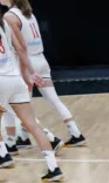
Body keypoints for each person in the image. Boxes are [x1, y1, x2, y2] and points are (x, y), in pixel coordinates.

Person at [3, 0, 85, 146]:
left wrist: (27, 71)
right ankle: (76, 133)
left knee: (18, 105)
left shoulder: (9, 16)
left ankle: (16, 142)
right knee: (53, 99)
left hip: (27, 63)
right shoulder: (27, 12)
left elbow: (21, 47)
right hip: (41, 59)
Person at [0, 15, 59, 180]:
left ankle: (3, 154)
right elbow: (21, 48)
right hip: (15, 80)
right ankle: (54, 168)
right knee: (32, 125)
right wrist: (30, 73)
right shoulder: (4, 23)